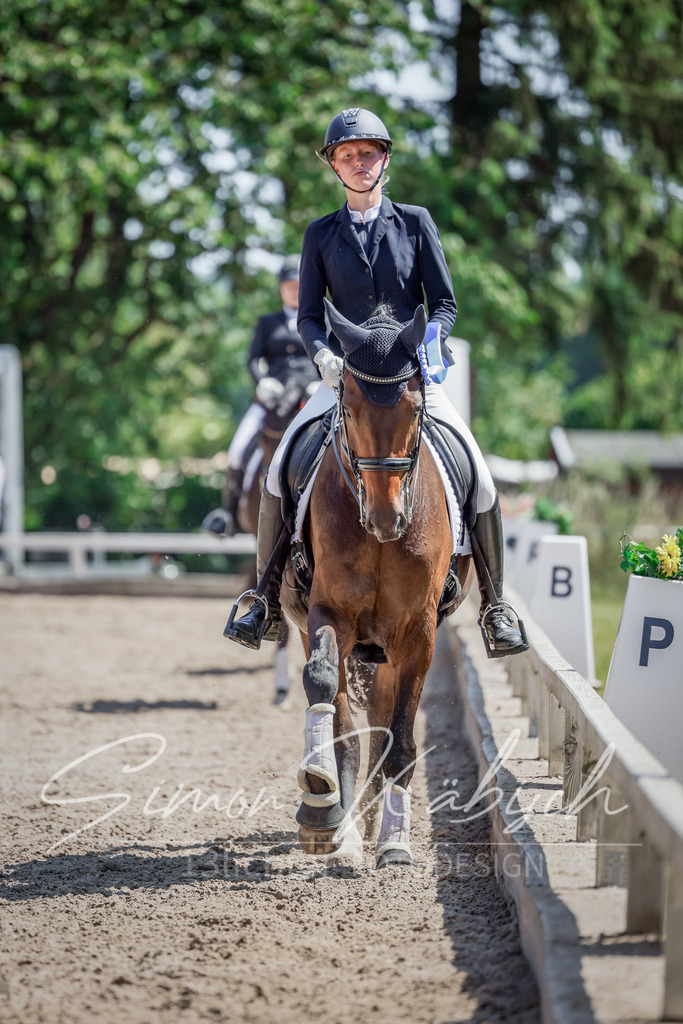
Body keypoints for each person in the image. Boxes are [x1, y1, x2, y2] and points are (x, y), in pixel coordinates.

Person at [224, 107, 527, 658]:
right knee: (275, 471)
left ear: (384, 159)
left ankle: (495, 608)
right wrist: (320, 354)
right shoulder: (320, 234)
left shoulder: (415, 221)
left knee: (479, 475)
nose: (358, 163)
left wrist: (432, 340)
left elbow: (446, 303)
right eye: (347, 155)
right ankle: (264, 599)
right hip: (347, 378)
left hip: (410, 378)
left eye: (367, 153)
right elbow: (310, 315)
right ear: (334, 165)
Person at [203, 255, 308, 537]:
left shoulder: (318, 320)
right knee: (238, 449)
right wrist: (263, 382)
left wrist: (320, 384)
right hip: (272, 400)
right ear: (280, 289)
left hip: (309, 401)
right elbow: (253, 359)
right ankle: (228, 513)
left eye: (299, 285)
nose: (294, 290)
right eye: (289, 285)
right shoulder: (267, 322)